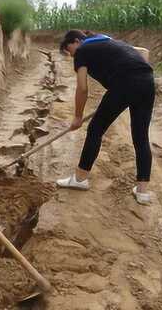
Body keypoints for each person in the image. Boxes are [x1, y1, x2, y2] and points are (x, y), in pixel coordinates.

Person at [56, 30, 155, 206]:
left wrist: (78, 116)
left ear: (77, 41)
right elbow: (144, 52)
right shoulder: (109, 41)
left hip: (124, 84)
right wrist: (137, 80)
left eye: (70, 51)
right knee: (141, 137)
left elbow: (82, 88)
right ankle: (142, 193)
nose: (72, 56)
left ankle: (80, 180)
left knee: (95, 129)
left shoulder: (82, 51)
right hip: (147, 82)